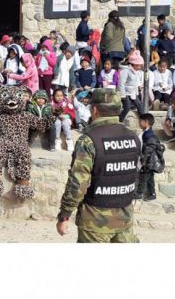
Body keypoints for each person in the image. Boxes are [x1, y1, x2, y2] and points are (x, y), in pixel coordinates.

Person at [56, 89, 140, 243]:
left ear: (94, 109)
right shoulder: (133, 137)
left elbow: (78, 183)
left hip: (95, 221)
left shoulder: (88, 140)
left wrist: (64, 215)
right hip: (125, 217)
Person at [135, 113, 164, 201]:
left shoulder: (149, 134)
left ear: (146, 122)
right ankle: (152, 193)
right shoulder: (146, 133)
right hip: (148, 161)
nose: (139, 123)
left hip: (148, 161)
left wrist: (144, 158)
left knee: (143, 177)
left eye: (140, 121)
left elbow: (150, 147)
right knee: (150, 178)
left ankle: (139, 193)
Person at [117, 51, 145, 122]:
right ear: (134, 64)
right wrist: (122, 95)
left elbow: (137, 81)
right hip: (125, 93)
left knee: (140, 106)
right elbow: (121, 83)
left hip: (133, 93)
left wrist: (139, 86)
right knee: (127, 107)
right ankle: (119, 121)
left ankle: (144, 121)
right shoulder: (125, 71)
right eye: (139, 65)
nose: (140, 67)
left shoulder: (137, 72)